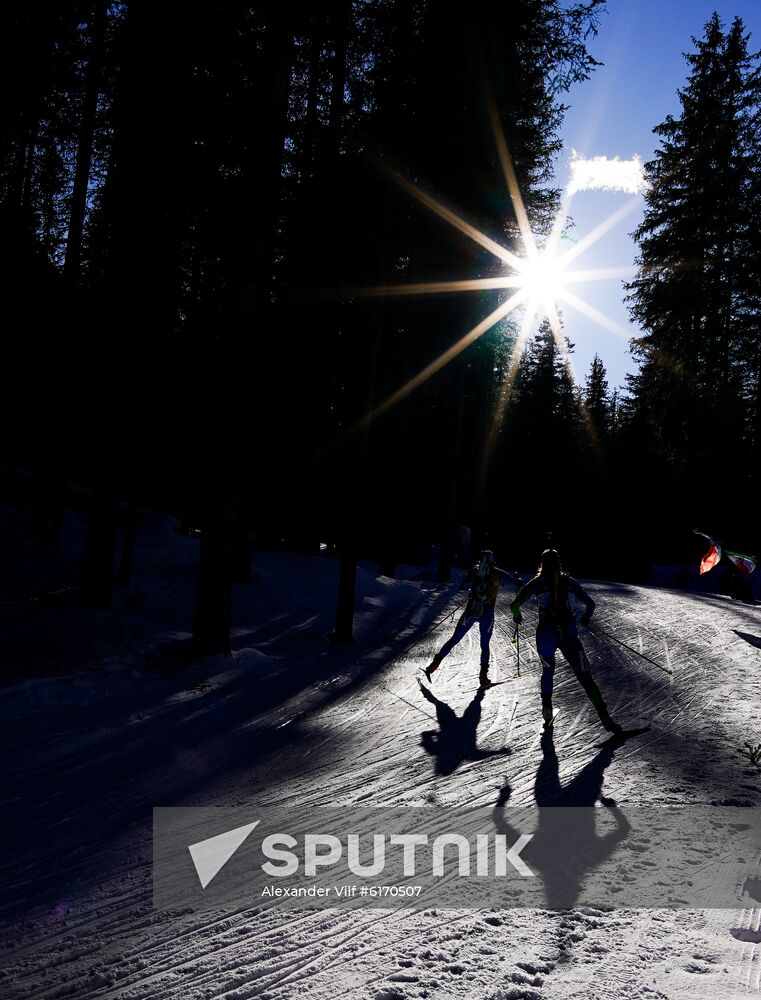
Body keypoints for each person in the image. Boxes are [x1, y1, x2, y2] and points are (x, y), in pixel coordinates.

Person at [510, 549, 622, 735]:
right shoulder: (569, 582)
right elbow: (590, 604)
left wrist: (517, 616)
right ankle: (606, 720)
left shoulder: (536, 583)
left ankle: (547, 712)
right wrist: (585, 618)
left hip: (545, 633)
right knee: (585, 677)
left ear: (542, 564)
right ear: (559, 563)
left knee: (547, 671)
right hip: (568, 632)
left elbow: (514, 605)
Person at [425, 549, 500, 687]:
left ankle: (433, 666)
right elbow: (515, 582)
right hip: (487, 611)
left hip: (471, 609)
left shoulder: (475, 571)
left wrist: (472, 590)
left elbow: (463, 586)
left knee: (454, 639)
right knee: (484, 645)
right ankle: (483, 677)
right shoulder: (497, 572)